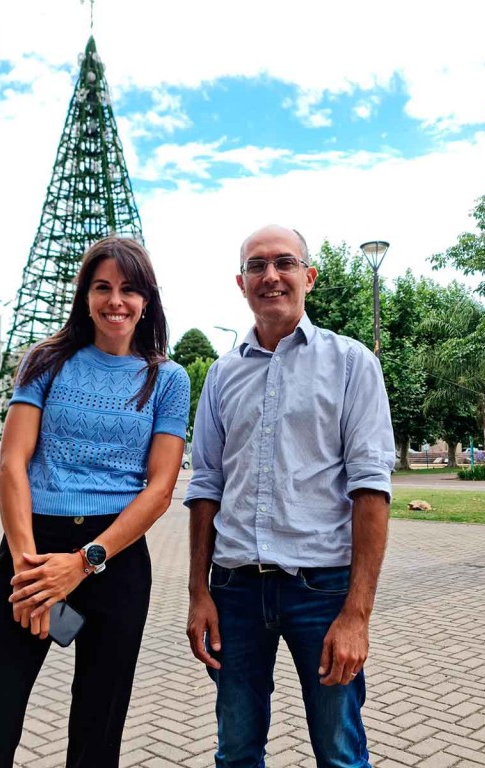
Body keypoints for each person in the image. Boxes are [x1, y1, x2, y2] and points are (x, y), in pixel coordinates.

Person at [0, 236, 190, 768]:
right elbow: (13, 463)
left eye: (129, 289)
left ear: (147, 299)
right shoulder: (47, 361)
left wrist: (84, 564)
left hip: (115, 557)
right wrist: (29, 567)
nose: (115, 301)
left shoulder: (167, 379)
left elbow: (160, 489)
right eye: (102, 287)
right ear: (85, 296)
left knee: (97, 736)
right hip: (32, 551)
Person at [185, 225, 395, 768]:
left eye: (284, 263)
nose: (270, 275)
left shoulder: (352, 364)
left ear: (309, 276)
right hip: (233, 592)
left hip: (321, 592)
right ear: (241, 282)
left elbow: (371, 490)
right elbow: (206, 483)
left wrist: (358, 614)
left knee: (340, 751)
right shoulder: (221, 375)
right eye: (257, 266)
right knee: (235, 751)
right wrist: (197, 593)